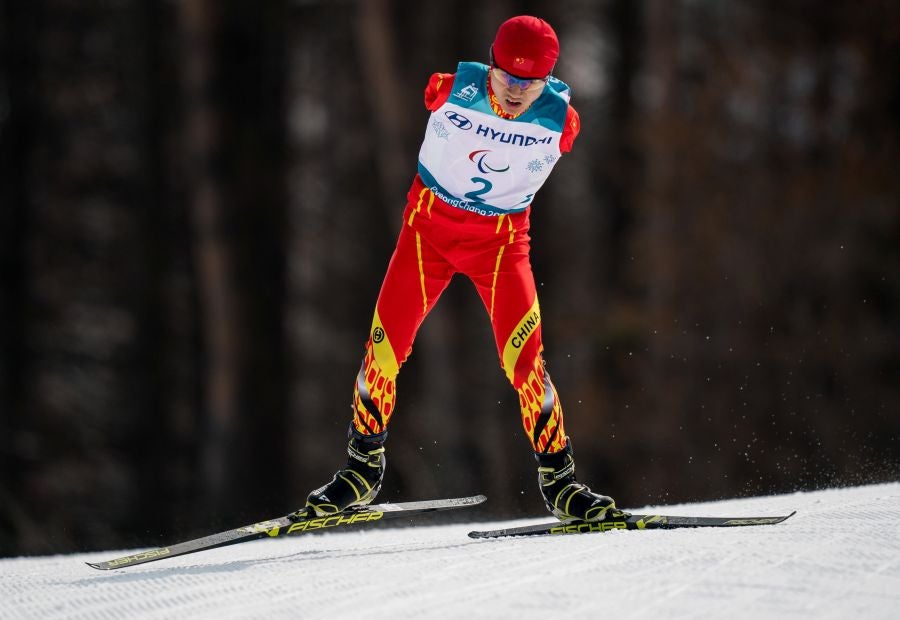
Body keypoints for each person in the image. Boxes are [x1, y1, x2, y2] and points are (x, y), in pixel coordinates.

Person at [296, 15, 623, 523]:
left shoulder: (562, 120)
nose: (514, 93)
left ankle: (561, 484)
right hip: (426, 238)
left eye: (529, 82)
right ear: (490, 66)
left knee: (526, 366)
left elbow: (562, 115)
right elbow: (433, 91)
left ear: (548, 80)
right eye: (506, 78)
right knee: (381, 352)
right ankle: (361, 471)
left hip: (500, 249)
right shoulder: (453, 90)